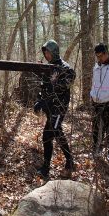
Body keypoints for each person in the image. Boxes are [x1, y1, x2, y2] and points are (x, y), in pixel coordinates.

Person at [34, 40, 76, 179]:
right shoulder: (48, 68)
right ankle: (69, 161)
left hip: (58, 108)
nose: (46, 55)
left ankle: (47, 167)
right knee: (57, 133)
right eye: (44, 52)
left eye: (48, 52)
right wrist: (39, 100)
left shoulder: (66, 68)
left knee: (48, 135)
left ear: (54, 52)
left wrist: (45, 97)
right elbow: (43, 87)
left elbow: (59, 88)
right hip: (48, 107)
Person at [90, 43, 109, 161]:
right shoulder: (96, 67)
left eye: (101, 55)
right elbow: (94, 83)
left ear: (106, 53)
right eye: (97, 56)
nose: (99, 58)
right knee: (96, 128)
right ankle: (96, 149)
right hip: (96, 102)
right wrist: (92, 95)